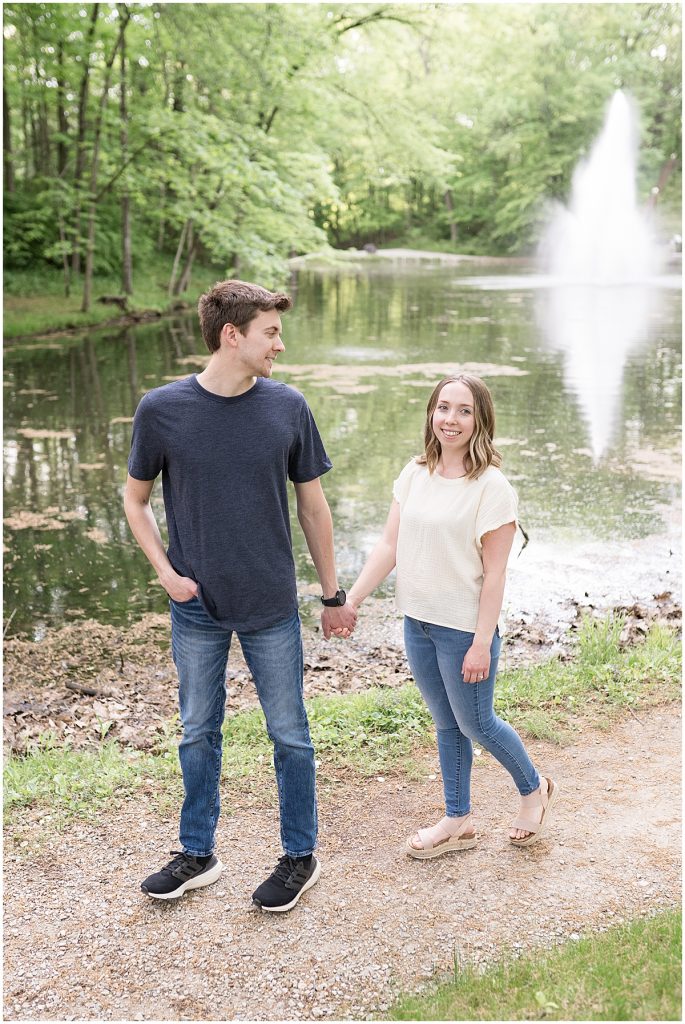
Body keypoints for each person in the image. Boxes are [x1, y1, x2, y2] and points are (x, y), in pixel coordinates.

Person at [124, 279, 356, 911]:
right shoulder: (161, 409)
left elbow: (313, 506)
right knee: (198, 730)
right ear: (233, 335)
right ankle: (197, 854)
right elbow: (135, 500)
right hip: (194, 606)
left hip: (270, 604)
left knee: (289, 734)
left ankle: (298, 857)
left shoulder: (288, 407)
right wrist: (166, 574)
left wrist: (333, 594)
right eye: (270, 332)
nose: (279, 343)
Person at [347, 374, 559, 857]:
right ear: (431, 413)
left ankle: (534, 792)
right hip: (417, 623)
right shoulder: (414, 473)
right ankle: (458, 819)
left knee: (477, 724)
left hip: (464, 630)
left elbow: (495, 575)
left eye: (463, 410)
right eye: (443, 407)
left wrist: (482, 641)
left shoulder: (492, 487)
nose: (450, 419)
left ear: (480, 419)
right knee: (446, 724)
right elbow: (388, 545)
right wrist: (353, 598)